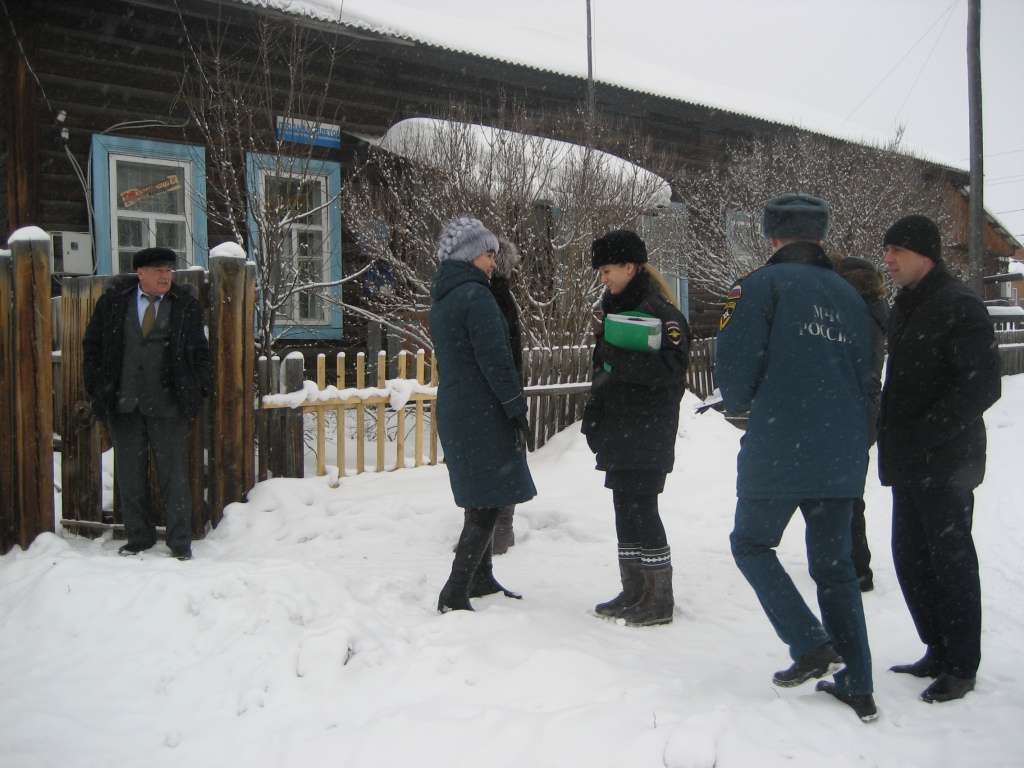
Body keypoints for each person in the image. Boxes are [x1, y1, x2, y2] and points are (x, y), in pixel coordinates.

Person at [716, 194, 877, 722]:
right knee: (836, 569)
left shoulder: (758, 285)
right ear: (820, 237)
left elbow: (738, 363)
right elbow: (867, 376)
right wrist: (857, 437)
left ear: (773, 236)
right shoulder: (851, 296)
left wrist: (739, 406)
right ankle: (858, 680)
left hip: (781, 443)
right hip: (841, 447)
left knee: (752, 543)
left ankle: (808, 642)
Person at [877, 214, 1002, 703]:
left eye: (897, 251)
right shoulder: (908, 302)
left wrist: (926, 433)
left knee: (950, 564)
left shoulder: (960, 304)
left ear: (925, 254)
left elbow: (981, 385)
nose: (887, 259)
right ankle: (936, 646)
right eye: (886, 250)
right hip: (909, 460)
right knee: (911, 559)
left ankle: (961, 664)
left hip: (945, 462)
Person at [581, 229, 690, 627]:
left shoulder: (662, 313)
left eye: (608, 270)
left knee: (643, 507)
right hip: (618, 426)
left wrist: (617, 360)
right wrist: (595, 413)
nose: (603, 278)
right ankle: (634, 590)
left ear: (630, 266)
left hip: (647, 428)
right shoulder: (615, 307)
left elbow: (673, 373)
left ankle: (659, 599)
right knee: (623, 506)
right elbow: (605, 368)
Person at [429, 217, 537, 613]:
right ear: (469, 256)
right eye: (489, 255)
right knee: (488, 502)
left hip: (459, 407)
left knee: (480, 498)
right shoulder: (476, 297)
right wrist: (516, 409)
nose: (494, 263)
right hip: (482, 408)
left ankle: (482, 577)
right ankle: (455, 590)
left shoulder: (445, 298)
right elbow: (497, 361)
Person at [82, 246, 212, 561]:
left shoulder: (184, 305)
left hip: (169, 404)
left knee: (174, 475)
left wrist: (197, 389)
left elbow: (200, 352)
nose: (165, 276)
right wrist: (99, 389)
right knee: (129, 474)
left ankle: (180, 541)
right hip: (123, 403)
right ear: (140, 273)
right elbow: (93, 347)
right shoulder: (113, 303)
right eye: (157, 271)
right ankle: (138, 537)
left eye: (168, 270)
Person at [831, 255, 889, 592]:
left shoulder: (860, 317)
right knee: (847, 494)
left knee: (846, 496)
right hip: (860, 414)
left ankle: (857, 568)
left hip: (852, 415)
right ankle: (851, 562)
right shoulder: (871, 311)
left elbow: (855, 371)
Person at [488, 237, 524, 555]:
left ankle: (500, 531)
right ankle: (499, 530)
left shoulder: (494, 297)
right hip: (506, 390)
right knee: (502, 459)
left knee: (499, 460)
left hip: (500, 392)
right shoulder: (500, 296)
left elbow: (502, 354)